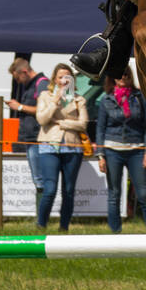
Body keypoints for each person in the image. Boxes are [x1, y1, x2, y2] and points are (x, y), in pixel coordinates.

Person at [96, 66, 146, 234]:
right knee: (114, 194)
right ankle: (115, 233)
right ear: (113, 78)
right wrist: (100, 156)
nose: (123, 76)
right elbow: (100, 129)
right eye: (119, 74)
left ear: (131, 76)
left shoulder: (140, 97)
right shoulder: (106, 100)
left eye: (126, 74)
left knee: (144, 193)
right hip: (112, 150)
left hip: (137, 149)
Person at [35, 63, 89, 233]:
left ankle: (64, 227)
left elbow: (83, 124)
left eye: (68, 77)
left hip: (72, 148)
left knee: (69, 190)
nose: (64, 80)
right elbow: (42, 120)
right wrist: (55, 102)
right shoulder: (45, 96)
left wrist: (60, 122)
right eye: (60, 77)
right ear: (55, 79)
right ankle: (41, 225)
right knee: (50, 189)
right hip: (49, 147)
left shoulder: (79, 99)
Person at [7, 58, 49, 219]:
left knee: (40, 179)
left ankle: (41, 218)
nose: (17, 82)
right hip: (30, 138)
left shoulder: (42, 84)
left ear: (24, 72)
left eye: (17, 78)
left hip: (38, 138)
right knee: (37, 178)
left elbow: (43, 109)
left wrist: (19, 107)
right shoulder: (30, 85)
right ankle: (40, 217)